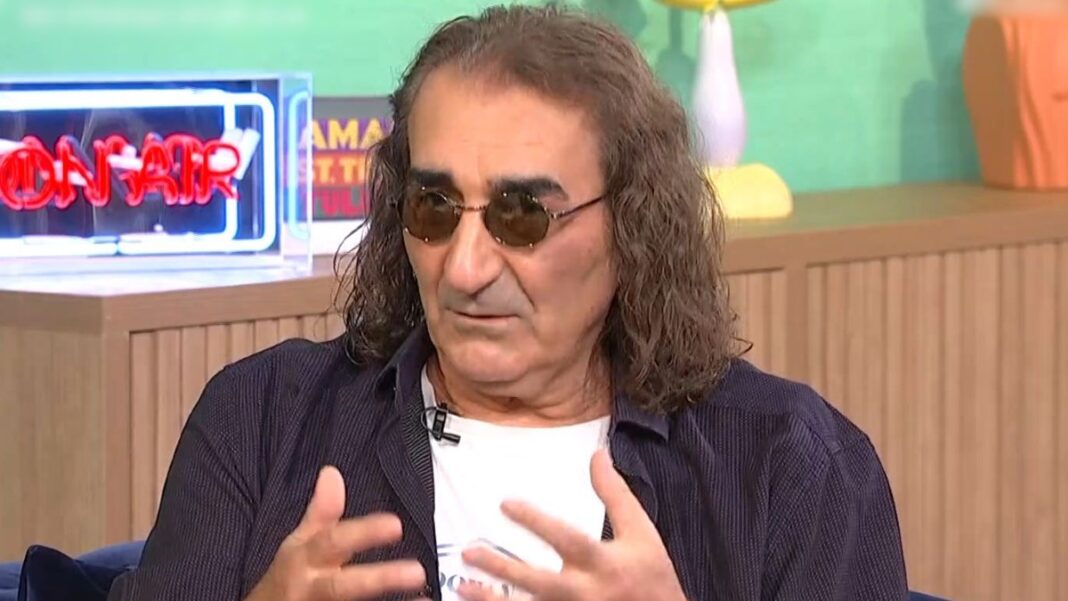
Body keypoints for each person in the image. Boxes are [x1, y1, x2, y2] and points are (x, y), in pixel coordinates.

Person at [108, 5, 908, 601]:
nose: (464, 268)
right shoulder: (261, 421)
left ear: (631, 226)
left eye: (521, 216)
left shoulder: (791, 467)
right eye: (433, 208)